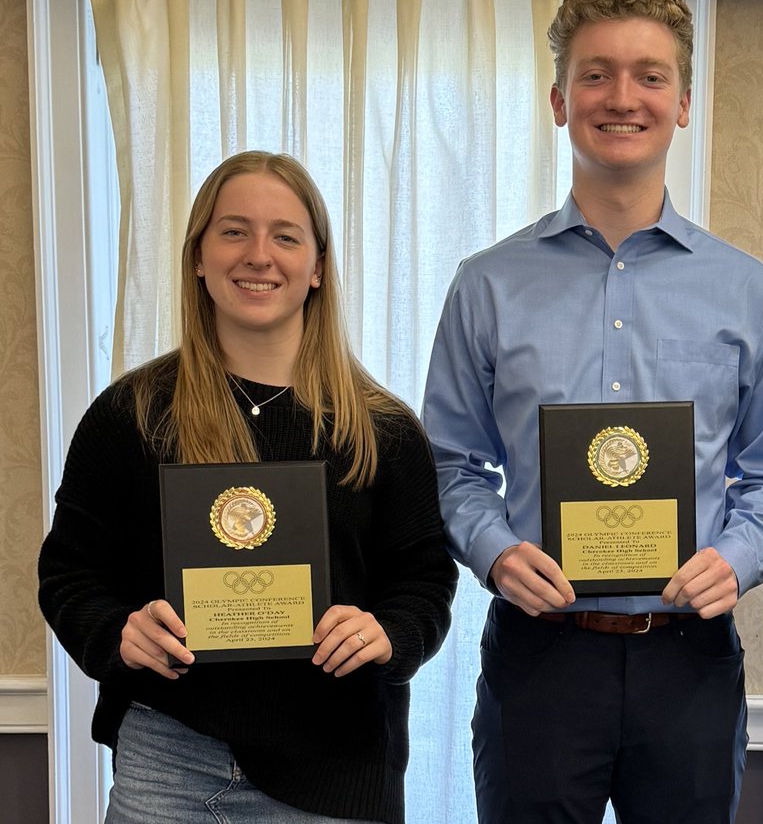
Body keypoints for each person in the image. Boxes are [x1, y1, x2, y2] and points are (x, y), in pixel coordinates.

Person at [421, 0, 763, 824]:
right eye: (595, 73)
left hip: (690, 658)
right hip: (539, 657)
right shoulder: (486, 286)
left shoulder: (748, 291)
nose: (620, 96)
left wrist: (735, 560)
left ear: (683, 101)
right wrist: (493, 551)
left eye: (649, 74)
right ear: (559, 99)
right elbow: (449, 465)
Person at [38, 151, 458, 823]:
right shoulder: (130, 415)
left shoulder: (384, 429)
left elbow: (424, 580)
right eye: (234, 231)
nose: (258, 255)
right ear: (198, 257)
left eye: (285, 236)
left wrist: (387, 632)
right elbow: (69, 573)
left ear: (317, 266)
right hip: (168, 756)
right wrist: (117, 631)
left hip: (337, 765)